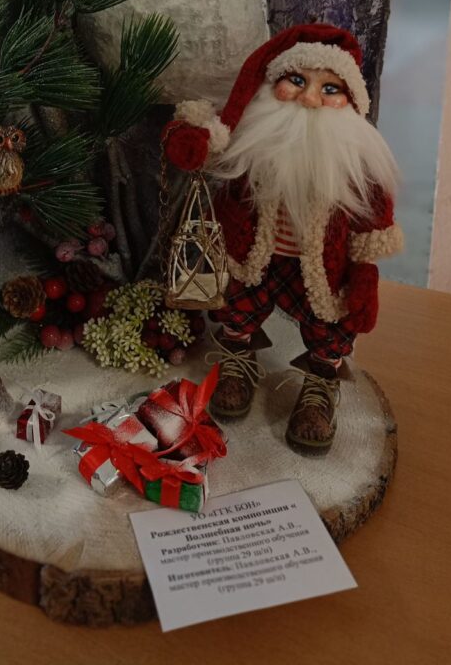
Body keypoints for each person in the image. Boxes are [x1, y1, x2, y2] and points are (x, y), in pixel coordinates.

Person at [163, 23, 403, 454]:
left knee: (332, 323)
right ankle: (238, 358)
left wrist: (365, 274)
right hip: (251, 256)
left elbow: (373, 221)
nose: (310, 99)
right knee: (236, 305)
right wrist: (189, 140)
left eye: (329, 89)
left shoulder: (358, 164)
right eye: (296, 80)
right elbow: (203, 147)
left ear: (351, 101)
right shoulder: (251, 140)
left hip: (322, 270)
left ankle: (320, 384)